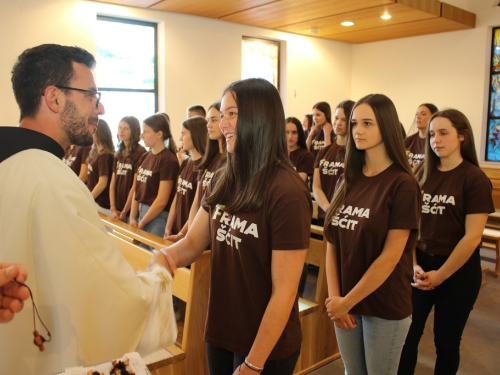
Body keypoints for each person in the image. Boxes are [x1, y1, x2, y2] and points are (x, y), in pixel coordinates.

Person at [0, 44, 176, 374]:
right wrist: (160, 273)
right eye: (92, 96)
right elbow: (115, 301)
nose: (101, 108)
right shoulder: (51, 179)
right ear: (54, 98)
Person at [158, 78, 311, 375]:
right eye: (221, 115)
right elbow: (192, 243)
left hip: (265, 343)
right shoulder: (222, 177)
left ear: (259, 118)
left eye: (232, 114)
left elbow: (284, 292)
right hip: (222, 328)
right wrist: (165, 258)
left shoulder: (286, 190)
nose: (223, 124)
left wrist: (254, 363)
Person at [323, 94, 420, 374]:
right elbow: (332, 242)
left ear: (387, 127)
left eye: (368, 123)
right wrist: (335, 300)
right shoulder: (347, 179)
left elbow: (391, 256)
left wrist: (346, 301)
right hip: (345, 302)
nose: (357, 131)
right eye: (355, 123)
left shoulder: (402, 184)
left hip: (384, 305)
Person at [398, 109, 494, 375]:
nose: (435, 140)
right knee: (407, 335)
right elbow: (410, 226)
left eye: (443, 133)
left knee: (446, 342)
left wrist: (440, 275)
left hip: (458, 272)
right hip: (419, 268)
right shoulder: (420, 172)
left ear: (462, 136)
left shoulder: (474, 178)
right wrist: (414, 264)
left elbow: (472, 236)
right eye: (431, 134)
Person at [166, 101, 226, 242]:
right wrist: (187, 236)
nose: (209, 125)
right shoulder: (210, 159)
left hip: (213, 235)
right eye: (208, 120)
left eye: (214, 120)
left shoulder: (229, 161)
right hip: (196, 233)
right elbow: (198, 202)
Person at [130, 114, 179, 240]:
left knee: (153, 256)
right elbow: (137, 189)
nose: (141, 135)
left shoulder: (168, 160)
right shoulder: (144, 156)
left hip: (157, 217)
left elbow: (162, 200)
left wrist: (142, 223)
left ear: (159, 134)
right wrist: (132, 217)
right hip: (142, 214)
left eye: (146, 132)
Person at [312, 100, 354, 226]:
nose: (338, 123)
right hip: (324, 215)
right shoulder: (324, 152)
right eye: (336, 118)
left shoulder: (357, 153)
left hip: (346, 217)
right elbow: (316, 186)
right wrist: (328, 208)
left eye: (344, 120)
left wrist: (337, 211)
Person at [165, 116, 207, 237]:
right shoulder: (186, 162)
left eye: (183, 134)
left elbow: (198, 207)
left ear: (195, 135)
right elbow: (177, 196)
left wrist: (182, 234)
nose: (180, 138)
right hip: (176, 228)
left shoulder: (203, 167)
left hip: (190, 232)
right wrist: (168, 227)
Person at [109, 116, 147, 221]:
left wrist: (125, 211)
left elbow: (135, 186)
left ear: (133, 131)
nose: (121, 131)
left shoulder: (140, 152)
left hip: (132, 211)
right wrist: (113, 207)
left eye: (126, 128)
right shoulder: (118, 152)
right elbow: (112, 183)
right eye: (120, 127)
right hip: (117, 208)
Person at [86, 119, 114, 213]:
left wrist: (88, 198)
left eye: (93, 130)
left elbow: (102, 183)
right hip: (95, 201)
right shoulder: (95, 152)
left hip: (102, 204)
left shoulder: (104, 155)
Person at [405, 103, 438, 167]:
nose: (418, 117)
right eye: (417, 114)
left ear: (433, 117)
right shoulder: (408, 141)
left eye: (423, 114)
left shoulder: (436, 141)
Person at [285, 117, 314, 183]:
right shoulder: (276, 154)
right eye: (286, 132)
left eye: (294, 132)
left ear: (299, 134)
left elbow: (299, 182)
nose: (290, 136)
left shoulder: (306, 156)